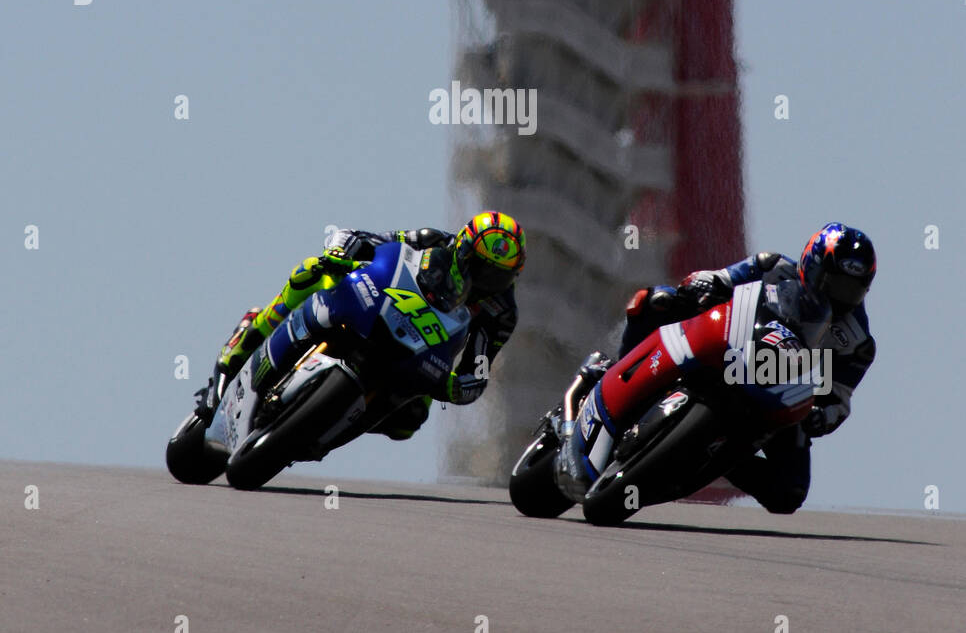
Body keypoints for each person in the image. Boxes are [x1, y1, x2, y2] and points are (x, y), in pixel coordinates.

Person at [565, 224, 876, 513]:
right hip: (729, 345)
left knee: (788, 492)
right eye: (833, 283)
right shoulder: (772, 267)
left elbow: (840, 397)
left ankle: (718, 456)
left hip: (781, 389)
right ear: (812, 265)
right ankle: (613, 371)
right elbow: (723, 278)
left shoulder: (857, 341)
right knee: (657, 299)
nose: (838, 296)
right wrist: (705, 282)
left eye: (850, 290)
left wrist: (823, 416)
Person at [195, 212, 525, 441]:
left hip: (425, 352)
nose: (486, 281)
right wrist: (340, 251)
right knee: (315, 272)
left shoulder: (501, 313)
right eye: (480, 268)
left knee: (408, 423)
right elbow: (370, 240)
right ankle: (240, 345)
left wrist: (458, 387)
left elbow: (480, 365)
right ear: (463, 250)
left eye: (498, 276)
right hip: (378, 305)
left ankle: (324, 421)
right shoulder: (432, 242)